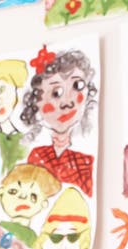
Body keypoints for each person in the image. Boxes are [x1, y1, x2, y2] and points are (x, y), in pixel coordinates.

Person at [21, 45, 97, 197]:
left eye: (77, 86)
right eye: (56, 93)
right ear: (36, 103)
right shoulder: (36, 156)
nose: (67, 102)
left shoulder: (87, 160)